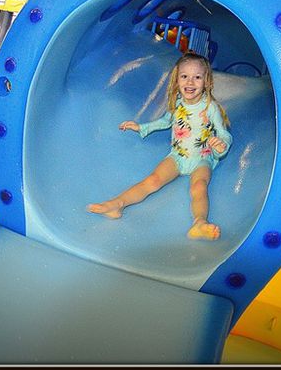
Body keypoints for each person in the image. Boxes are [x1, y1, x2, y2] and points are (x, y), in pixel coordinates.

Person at [88, 51, 232, 241]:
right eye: (184, 76)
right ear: (177, 80)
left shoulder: (210, 107)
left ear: (207, 82)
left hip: (202, 158)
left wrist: (221, 146)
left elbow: (223, 133)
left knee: (198, 186)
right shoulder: (178, 103)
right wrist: (140, 127)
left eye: (197, 77)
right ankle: (117, 204)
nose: (190, 82)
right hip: (178, 155)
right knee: (153, 180)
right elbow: (165, 121)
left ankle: (199, 223)